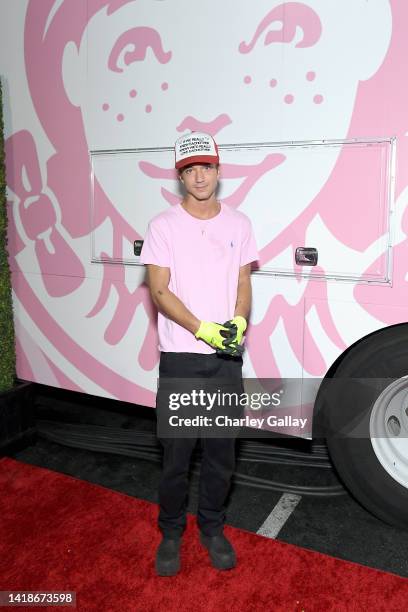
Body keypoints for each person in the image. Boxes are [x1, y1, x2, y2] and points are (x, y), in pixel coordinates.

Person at [140, 131, 258, 576]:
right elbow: (159, 289)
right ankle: (171, 533)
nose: (199, 175)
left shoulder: (240, 224)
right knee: (176, 459)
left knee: (221, 456)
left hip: (227, 361)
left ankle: (211, 527)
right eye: (190, 169)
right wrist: (204, 329)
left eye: (206, 166)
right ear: (181, 177)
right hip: (182, 361)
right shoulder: (163, 226)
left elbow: (243, 281)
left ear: (218, 170)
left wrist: (240, 320)